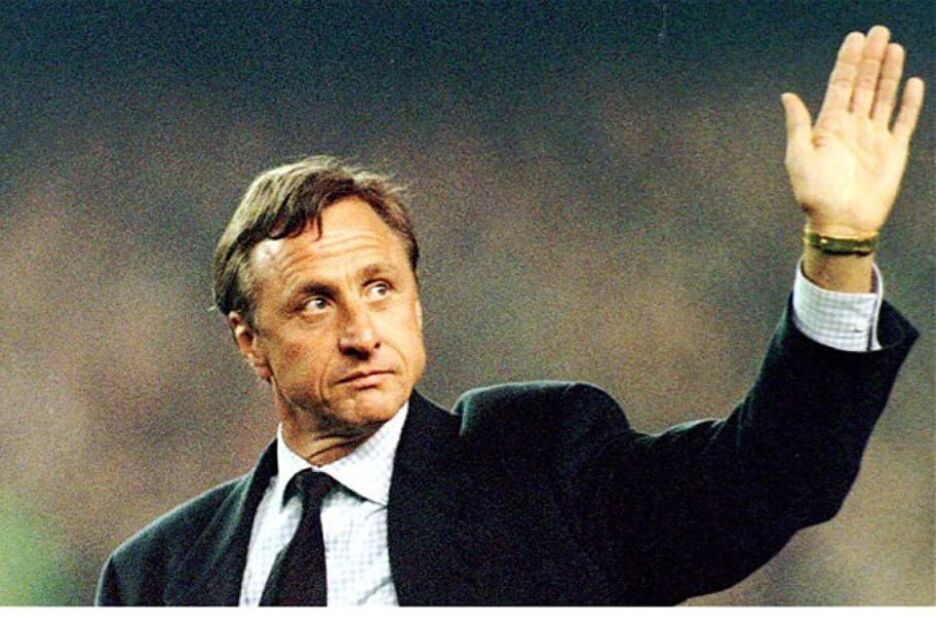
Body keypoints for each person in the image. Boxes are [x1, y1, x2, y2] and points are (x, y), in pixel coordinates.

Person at [96, 26, 923, 605]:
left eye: (380, 288)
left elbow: (763, 481)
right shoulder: (155, 575)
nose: (361, 332)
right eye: (317, 302)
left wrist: (840, 247)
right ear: (250, 343)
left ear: (416, 301)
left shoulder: (538, 461)